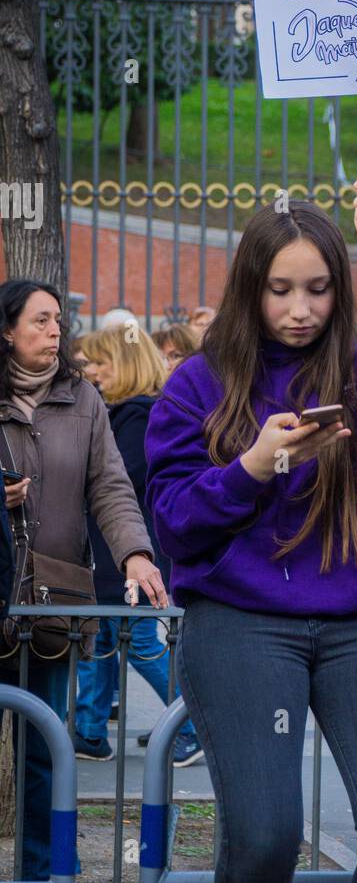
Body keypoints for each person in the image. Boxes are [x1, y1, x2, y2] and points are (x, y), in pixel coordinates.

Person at [144, 163, 357, 883]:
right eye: (281, 290)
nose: (301, 309)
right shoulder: (195, 385)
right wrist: (252, 466)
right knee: (268, 834)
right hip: (240, 622)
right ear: (251, 288)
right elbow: (173, 522)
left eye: (318, 288)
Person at [0, 280, 168, 883]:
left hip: (52, 607)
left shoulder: (84, 400)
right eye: (40, 320)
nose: (54, 331)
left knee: (45, 755)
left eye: (57, 321)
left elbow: (111, 487)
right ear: (8, 329)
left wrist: (135, 554)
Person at [72, 325, 202, 766]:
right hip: (113, 554)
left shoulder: (138, 415)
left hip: (130, 553)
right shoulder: (123, 412)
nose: (92, 371)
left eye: (100, 363)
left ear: (124, 366)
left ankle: (193, 722)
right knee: (101, 637)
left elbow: (117, 480)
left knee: (142, 642)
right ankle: (89, 731)